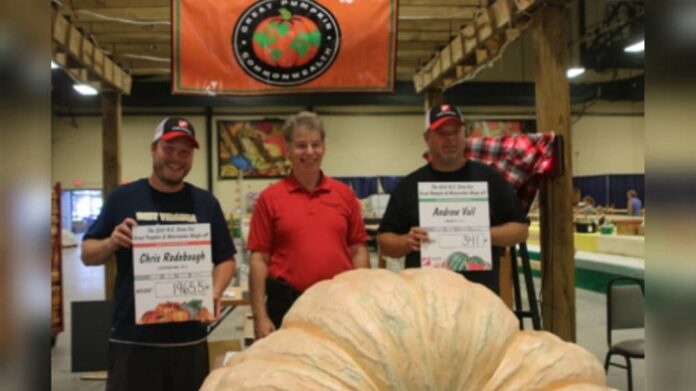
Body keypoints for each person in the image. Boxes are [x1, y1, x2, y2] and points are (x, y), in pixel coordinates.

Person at [81, 117, 236, 391]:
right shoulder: (123, 197)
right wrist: (111, 242)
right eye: (169, 149)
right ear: (153, 149)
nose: (177, 158)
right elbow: (87, 254)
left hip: (189, 341)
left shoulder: (206, 203)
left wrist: (214, 290)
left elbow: (225, 258)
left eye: (185, 152)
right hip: (133, 340)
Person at [377, 104, 528, 294]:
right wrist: (406, 242)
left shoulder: (489, 179)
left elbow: (521, 231)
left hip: (479, 298)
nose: (450, 139)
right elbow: (384, 240)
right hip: (425, 300)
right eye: (441, 133)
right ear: (427, 138)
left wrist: (482, 235)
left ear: (464, 134)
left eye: (455, 132)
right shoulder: (409, 186)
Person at [247, 111, 369, 339]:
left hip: (339, 307)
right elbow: (258, 260)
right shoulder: (269, 199)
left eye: (316, 144)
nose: (310, 152)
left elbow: (358, 250)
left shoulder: (344, 195)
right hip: (287, 307)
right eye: (301, 145)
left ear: (324, 147)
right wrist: (260, 317)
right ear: (288, 150)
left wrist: (362, 302)